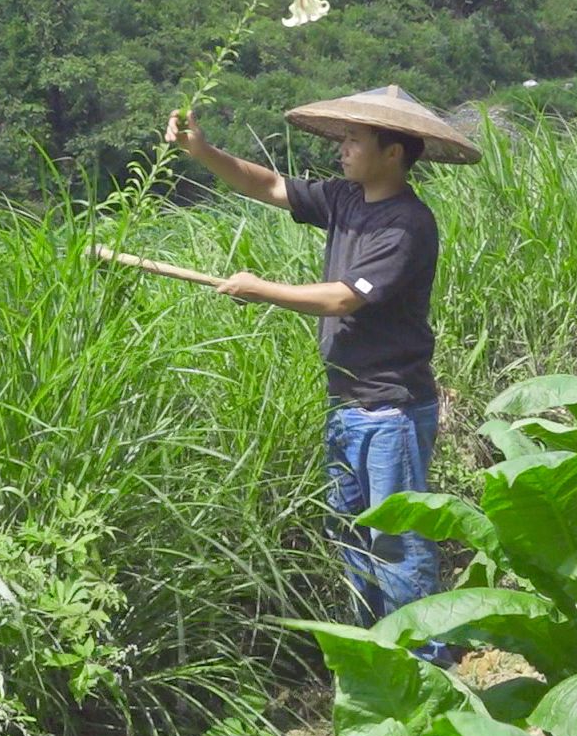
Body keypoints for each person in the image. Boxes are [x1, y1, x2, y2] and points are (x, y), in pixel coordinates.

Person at [164, 86, 482, 666]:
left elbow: (342, 300)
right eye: (344, 138)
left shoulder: (407, 225)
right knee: (353, 538)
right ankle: (379, 659)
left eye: (355, 140)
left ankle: (431, 664)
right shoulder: (346, 199)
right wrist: (203, 151)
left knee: (400, 542)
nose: (343, 149)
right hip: (346, 405)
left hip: (391, 409)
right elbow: (268, 186)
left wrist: (262, 291)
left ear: (393, 152)